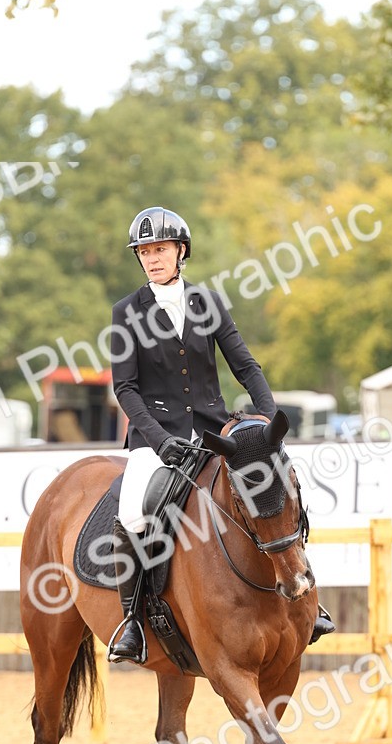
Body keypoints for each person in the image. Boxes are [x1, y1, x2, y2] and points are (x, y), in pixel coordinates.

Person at [108, 205, 334, 663]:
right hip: (158, 438)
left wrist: (269, 423)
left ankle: (307, 593)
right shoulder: (126, 312)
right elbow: (125, 388)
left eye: (161, 249)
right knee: (133, 510)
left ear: (180, 251)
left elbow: (245, 365)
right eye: (146, 251)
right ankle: (133, 620)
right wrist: (156, 439)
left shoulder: (207, 303)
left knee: (277, 484)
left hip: (215, 432)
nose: (153, 258)